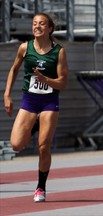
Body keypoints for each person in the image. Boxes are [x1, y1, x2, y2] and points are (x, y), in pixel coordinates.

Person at [4, 12, 68, 202]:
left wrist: (46, 79)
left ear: (49, 28)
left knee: (43, 147)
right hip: (29, 101)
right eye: (34, 23)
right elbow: (14, 69)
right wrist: (7, 95)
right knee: (16, 144)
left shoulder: (59, 51)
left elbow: (63, 83)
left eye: (41, 24)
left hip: (49, 101)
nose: (37, 26)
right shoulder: (25, 48)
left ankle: (40, 187)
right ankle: (37, 125)